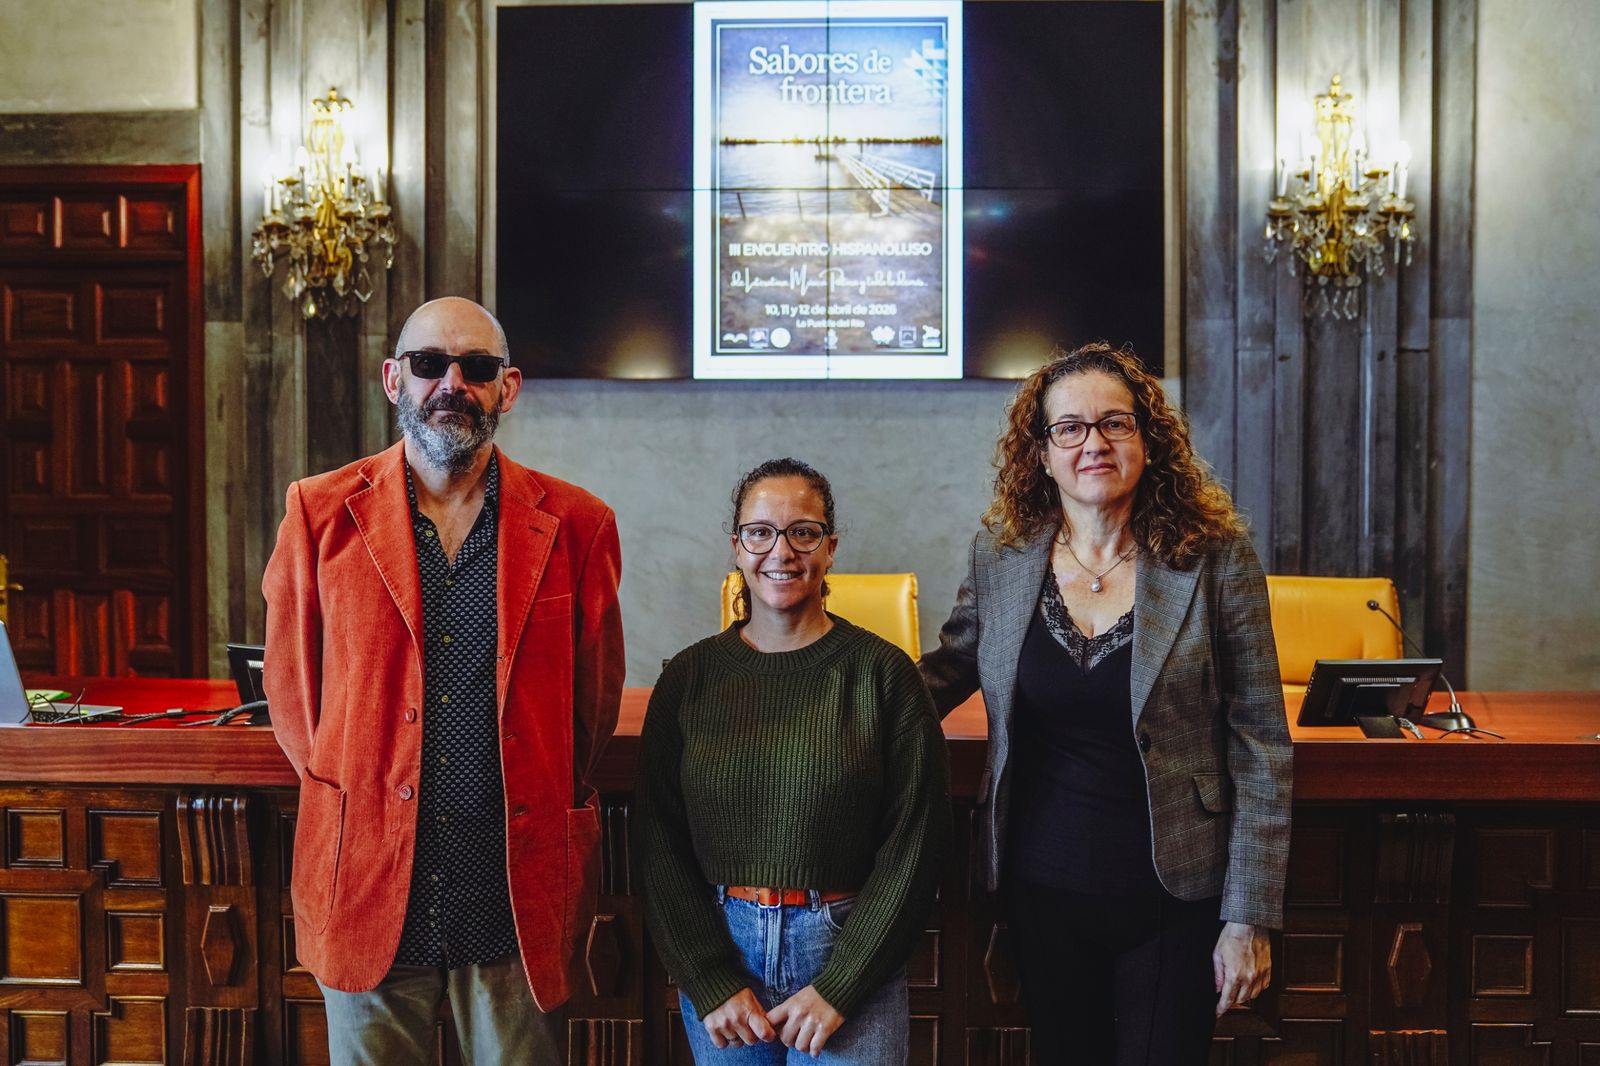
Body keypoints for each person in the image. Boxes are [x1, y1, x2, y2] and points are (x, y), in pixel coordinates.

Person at [262, 297, 625, 1065]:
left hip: (513, 896)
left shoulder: (578, 523)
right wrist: (357, 787)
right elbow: (294, 705)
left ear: (508, 387)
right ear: (395, 379)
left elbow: (591, 709)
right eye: (430, 364)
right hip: (366, 886)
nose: (451, 383)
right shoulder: (319, 513)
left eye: (477, 368)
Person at [919, 342, 1292, 1064]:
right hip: (1040, 889)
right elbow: (947, 669)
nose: (1094, 442)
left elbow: (1261, 741)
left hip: (1176, 897)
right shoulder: (1002, 555)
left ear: (1148, 441)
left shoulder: (1214, 557)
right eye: (1070, 428)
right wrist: (828, 698)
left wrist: (1249, 915)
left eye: (1115, 424)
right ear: (1043, 452)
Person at [634, 458, 948, 1063]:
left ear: (829, 548)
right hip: (725, 955)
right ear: (736, 546)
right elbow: (658, 843)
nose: (781, 551)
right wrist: (709, 978)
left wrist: (841, 985)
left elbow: (918, 841)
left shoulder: (884, 675)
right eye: (760, 532)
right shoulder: (689, 678)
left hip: (849, 950)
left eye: (803, 532)